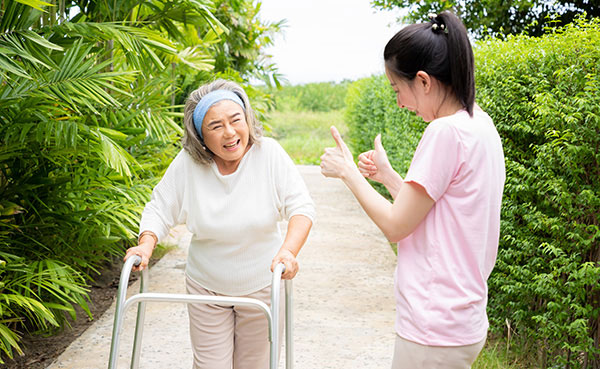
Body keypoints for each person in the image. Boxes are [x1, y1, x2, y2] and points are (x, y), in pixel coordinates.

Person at [320, 11, 505, 369]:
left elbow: (396, 225)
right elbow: (440, 213)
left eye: (397, 90)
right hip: (462, 319)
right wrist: (389, 177)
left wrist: (348, 173)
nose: (400, 103)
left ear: (423, 81)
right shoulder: (478, 124)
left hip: (433, 325)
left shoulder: (444, 132)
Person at [124, 79, 315, 369]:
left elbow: (300, 206)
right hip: (207, 288)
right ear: (201, 136)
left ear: (247, 120)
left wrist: (288, 252)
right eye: (215, 126)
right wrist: (145, 244)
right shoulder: (189, 163)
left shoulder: (269, 154)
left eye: (236, 120)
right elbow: (159, 207)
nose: (229, 132)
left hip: (262, 285)